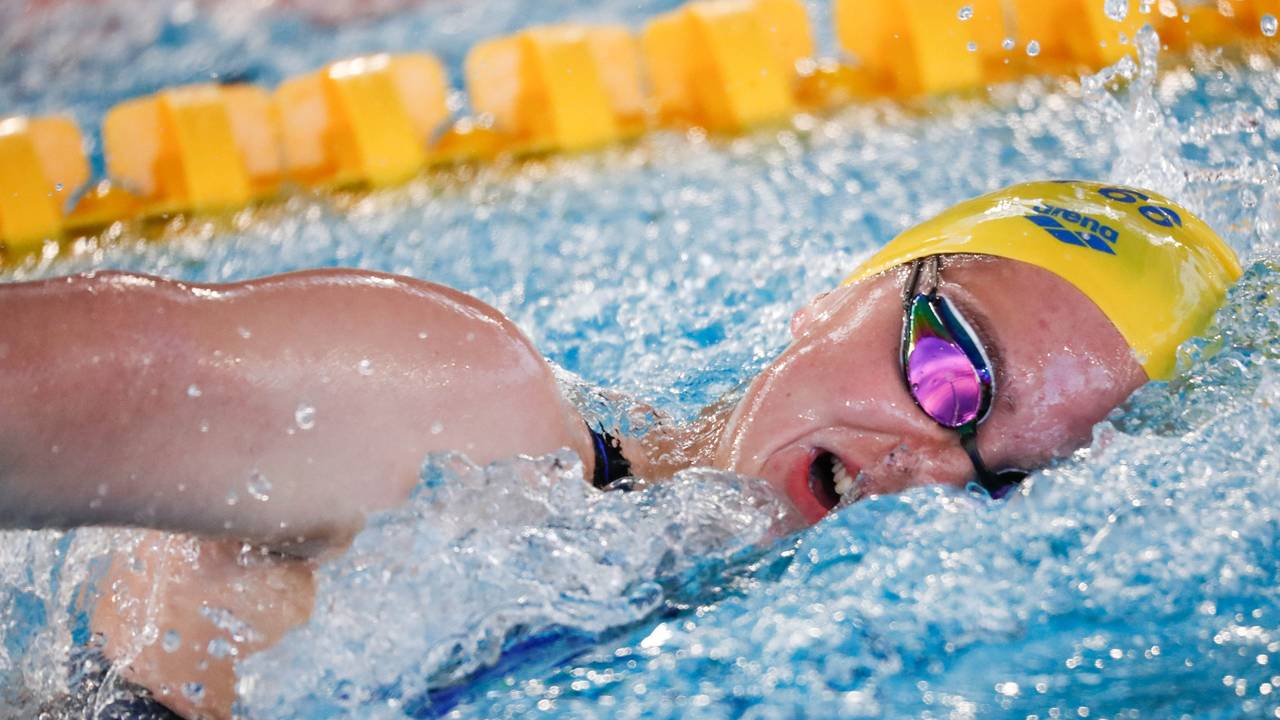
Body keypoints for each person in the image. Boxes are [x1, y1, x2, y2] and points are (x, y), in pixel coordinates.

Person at [1, 180, 1240, 719]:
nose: (929, 463)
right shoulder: (454, 418)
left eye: (1014, 480)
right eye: (948, 362)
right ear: (838, 296)